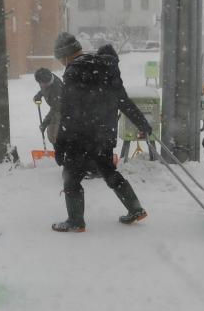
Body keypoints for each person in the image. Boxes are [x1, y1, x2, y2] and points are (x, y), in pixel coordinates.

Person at [51, 32, 153, 233]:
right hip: (104, 134)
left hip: (80, 136)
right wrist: (142, 123)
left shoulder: (73, 71)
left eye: (60, 60)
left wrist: (60, 144)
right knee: (108, 171)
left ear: (64, 56)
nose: (62, 64)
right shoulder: (106, 66)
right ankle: (135, 209)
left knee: (71, 176)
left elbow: (68, 113)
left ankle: (75, 221)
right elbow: (123, 100)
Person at [33, 68, 63, 144]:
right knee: (51, 135)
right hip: (55, 108)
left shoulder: (57, 89)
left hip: (63, 110)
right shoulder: (44, 78)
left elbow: (56, 109)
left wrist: (45, 123)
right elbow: (44, 89)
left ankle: (60, 150)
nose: (42, 85)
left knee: (56, 135)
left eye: (44, 84)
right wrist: (39, 95)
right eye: (40, 83)